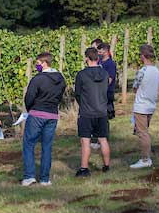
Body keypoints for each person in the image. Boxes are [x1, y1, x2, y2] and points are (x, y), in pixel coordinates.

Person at [22, 52, 66, 186]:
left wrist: (31, 109)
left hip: (37, 114)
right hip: (52, 114)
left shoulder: (38, 79)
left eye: (38, 64)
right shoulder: (60, 79)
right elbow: (60, 96)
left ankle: (29, 176)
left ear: (44, 63)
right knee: (47, 146)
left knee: (29, 144)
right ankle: (45, 179)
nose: (37, 66)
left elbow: (29, 97)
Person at [75, 47, 110, 177]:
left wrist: (83, 104)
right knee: (103, 139)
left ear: (87, 58)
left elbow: (77, 94)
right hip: (102, 111)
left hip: (86, 112)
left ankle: (84, 168)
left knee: (85, 141)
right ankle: (106, 166)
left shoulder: (82, 75)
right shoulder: (105, 74)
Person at [130, 44, 159, 169]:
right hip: (151, 105)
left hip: (141, 106)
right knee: (144, 132)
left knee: (143, 133)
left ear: (143, 56)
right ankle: (146, 156)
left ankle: (145, 159)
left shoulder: (142, 71)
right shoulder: (156, 70)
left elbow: (134, 88)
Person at [98, 43, 117, 120]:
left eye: (100, 52)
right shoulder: (99, 62)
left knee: (107, 114)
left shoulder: (110, 64)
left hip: (107, 91)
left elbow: (109, 79)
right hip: (100, 91)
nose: (98, 54)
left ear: (105, 52)